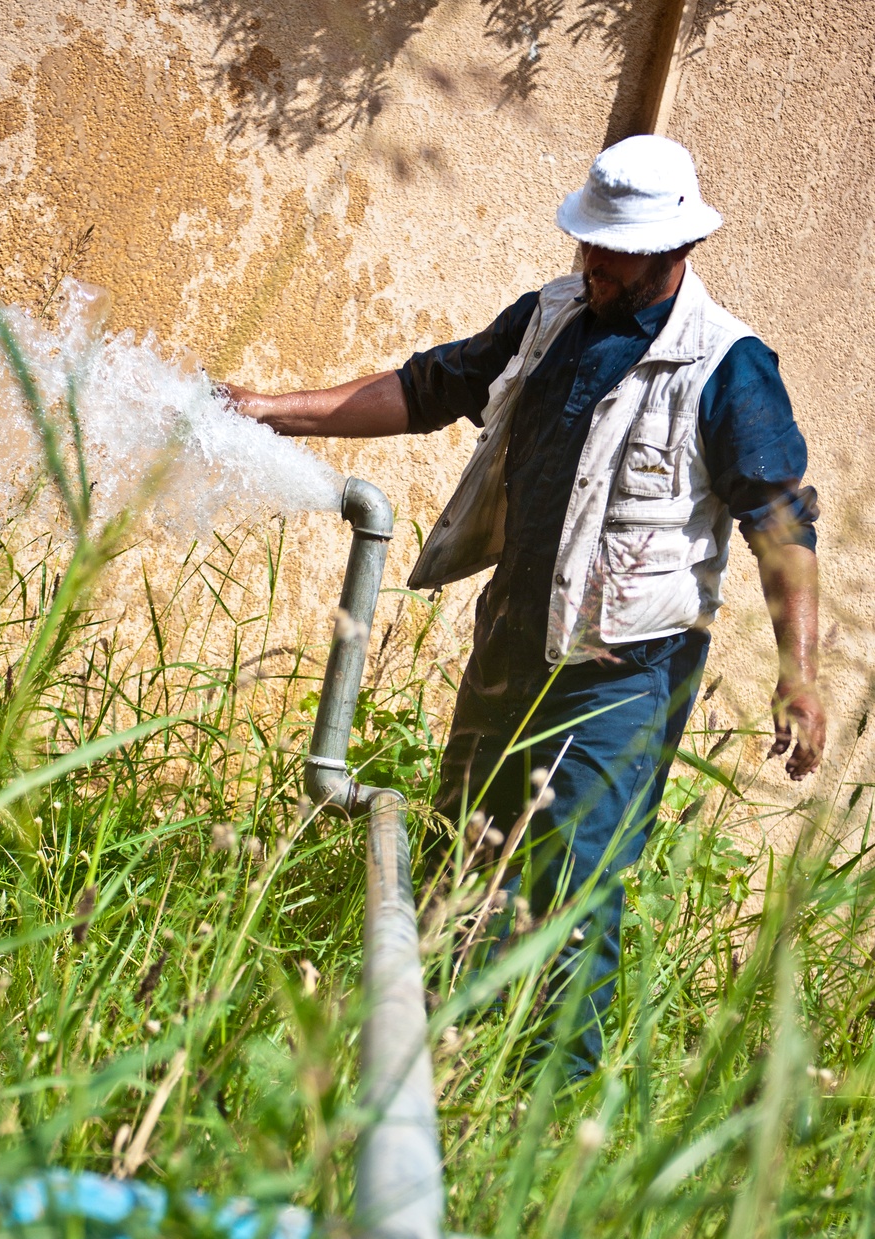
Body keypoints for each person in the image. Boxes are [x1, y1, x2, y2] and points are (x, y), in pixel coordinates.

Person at [226, 135, 826, 1074]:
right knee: (463, 859)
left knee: (572, 892)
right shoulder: (551, 315)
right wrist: (270, 408)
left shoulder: (726, 364)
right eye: (589, 241)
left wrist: (801, 675)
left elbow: (782, 522)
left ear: (675, 250)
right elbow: (431, 387)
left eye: (614, 249)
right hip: (511, 643)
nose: (592, 260)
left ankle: (551, 1122)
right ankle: (439, 1075)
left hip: (622, 676)